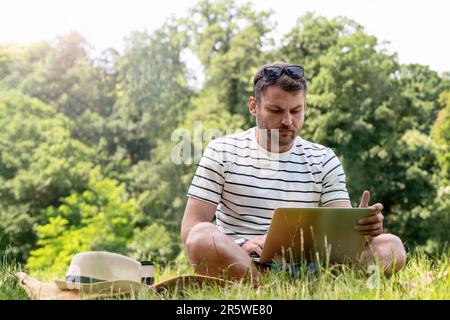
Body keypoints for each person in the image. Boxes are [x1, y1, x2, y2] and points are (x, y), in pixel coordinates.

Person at [181, 61, 406, 282]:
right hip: (244, 259)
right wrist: (242, 246)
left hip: (309, 262)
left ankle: (268, 284)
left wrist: (363, 231)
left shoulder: (323, 158)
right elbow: (190, 230)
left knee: (391, 246)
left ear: (305, 107)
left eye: (296, 110)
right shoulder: (221, 151)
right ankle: (268, 282)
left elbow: (342, 240)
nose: (288, 121)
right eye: (276, 110)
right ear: (253, 106)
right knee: (201, 236)